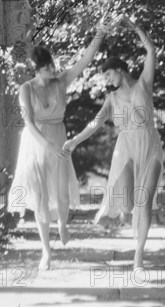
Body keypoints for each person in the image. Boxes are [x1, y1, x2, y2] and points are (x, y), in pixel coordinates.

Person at [63, 16, 163, 269]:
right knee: (129, 204)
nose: (107, 79)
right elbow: (95, 123)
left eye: (108, 74)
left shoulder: (144, 83)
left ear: (119, 69)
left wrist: (135, 26)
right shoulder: (111, 98)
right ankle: (123, 212)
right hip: (126, 148)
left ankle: (138, 254)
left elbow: (151, 49)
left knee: (145, 203)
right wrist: (74, 140)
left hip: (150, 144)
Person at [8, 28, 105, 270]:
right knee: (39, 197)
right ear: (36, 70)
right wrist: (47, 145)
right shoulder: (26, 89)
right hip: (35, 142)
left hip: (58, 137)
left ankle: (62, 223)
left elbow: (84, 61)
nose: (52, 70)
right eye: (46, 68)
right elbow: (28, 123)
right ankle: (46, 252)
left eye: (52, 65)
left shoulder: (61, 80)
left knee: (61, 193)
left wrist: (99, 34)